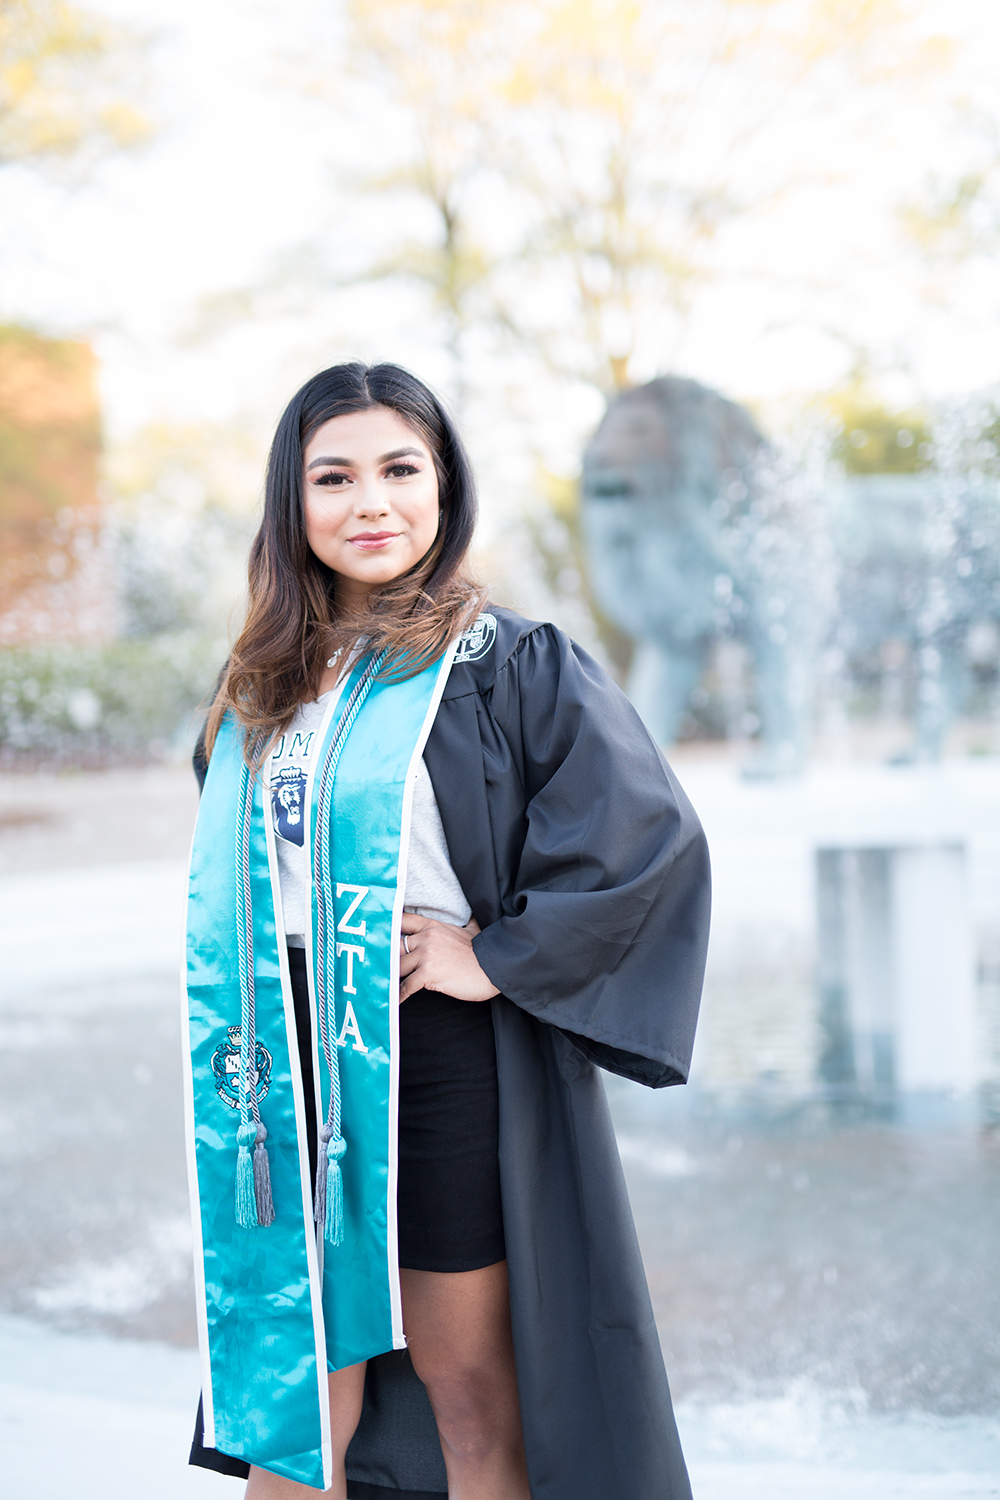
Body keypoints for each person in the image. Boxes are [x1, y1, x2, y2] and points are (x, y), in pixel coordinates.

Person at [183, 361, 710, 1500]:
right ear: (292, 504)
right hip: (280, 1068)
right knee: (292, 1402)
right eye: (334, 477)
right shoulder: (259, 687)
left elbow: (646, 839)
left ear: (443, 487)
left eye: (399, 469)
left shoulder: (505, 664)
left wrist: (498, 958)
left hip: (431, 1059)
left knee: (468, 1388)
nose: (370, 503)